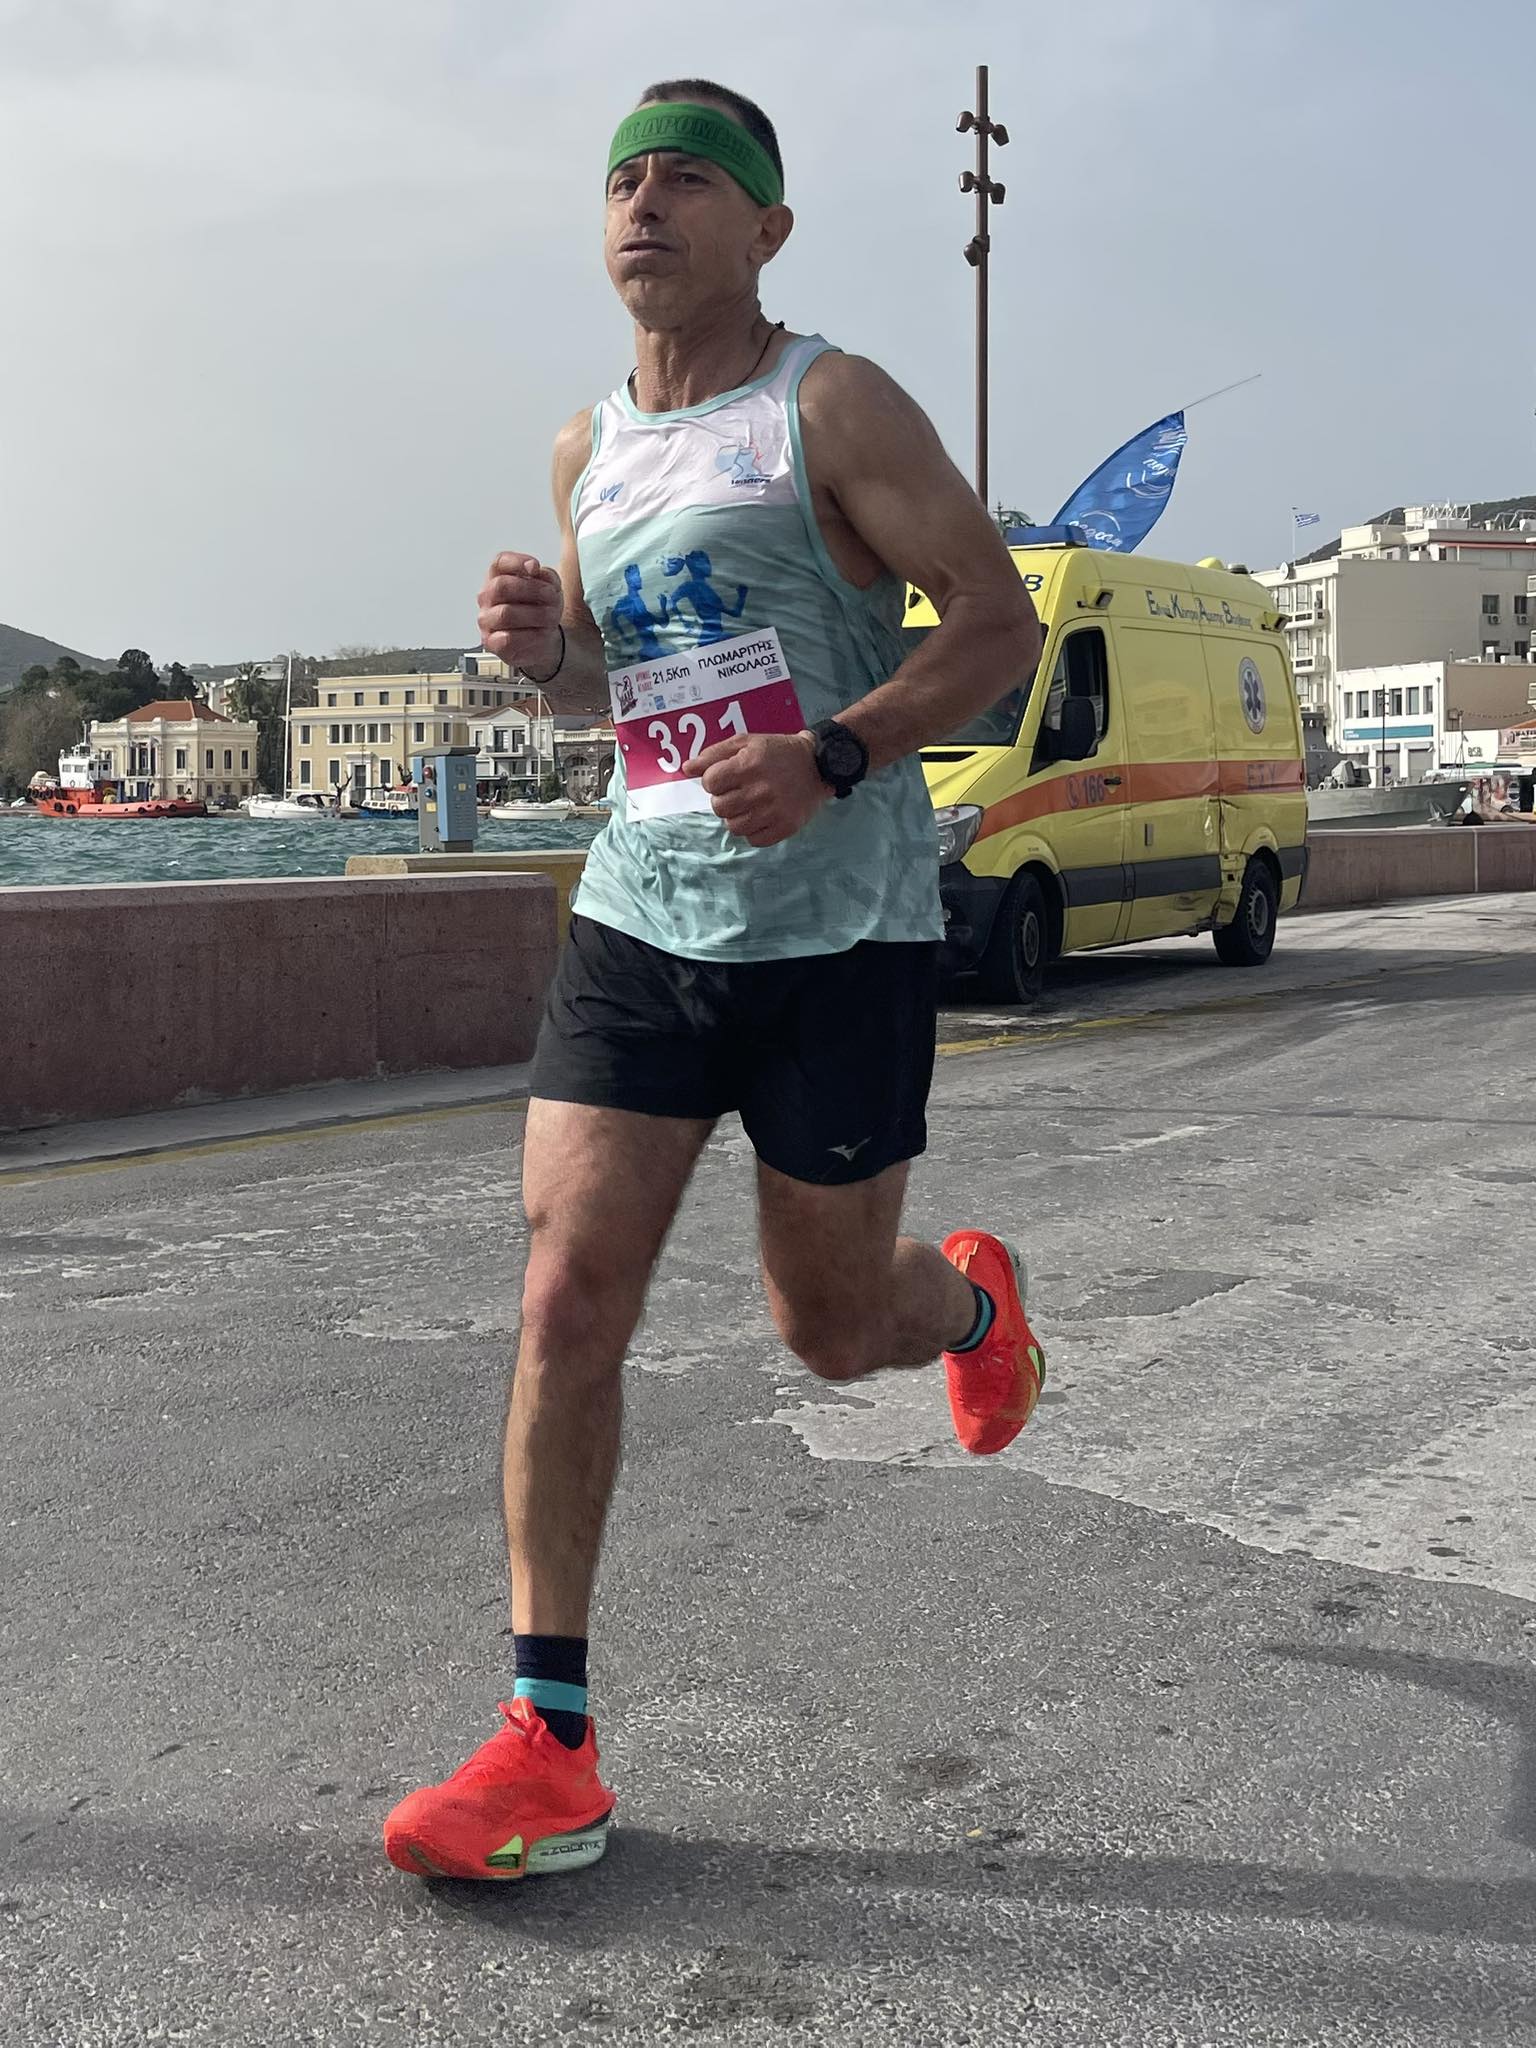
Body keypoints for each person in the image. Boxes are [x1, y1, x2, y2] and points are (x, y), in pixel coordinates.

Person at [384, 79, 1046, 1885]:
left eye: (687, 179)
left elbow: (998, 622)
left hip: (839, 934)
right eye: (622, 180)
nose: (645, 203)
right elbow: (621, 700)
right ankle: (547, 1742)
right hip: (641, 918)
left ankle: (968, 1312)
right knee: (562, 1302)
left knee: (828, 1330)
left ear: (766, 228)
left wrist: (837, 750)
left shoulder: (829, 404)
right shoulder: (584, 451)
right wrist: (550, 660)